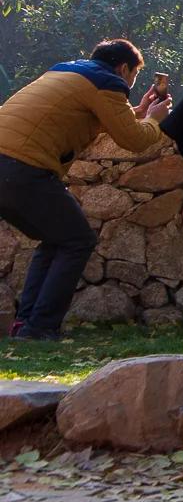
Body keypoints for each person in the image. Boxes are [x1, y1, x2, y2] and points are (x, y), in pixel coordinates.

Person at [0, 39, 172, 339]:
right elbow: (133, 140)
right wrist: (153, 121)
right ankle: (39, 327)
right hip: (23, 166)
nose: (132, 82)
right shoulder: (108, 82)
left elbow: (91, 117)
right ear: (123, 68)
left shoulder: (66, 72)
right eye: (133, 75)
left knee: (55, 238)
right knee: (77, 240)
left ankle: (25, 324)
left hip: (9, 164)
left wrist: (139, 110)